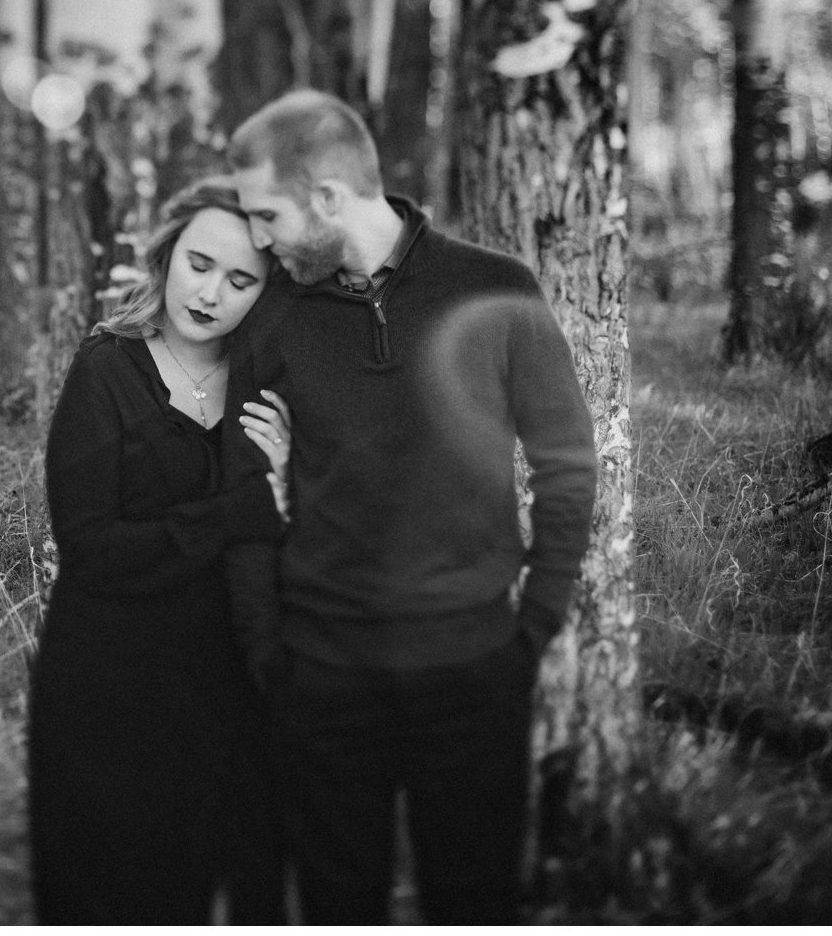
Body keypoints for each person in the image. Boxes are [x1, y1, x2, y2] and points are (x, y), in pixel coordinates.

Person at [216, 89, 598, 924]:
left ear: (325, 198)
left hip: (472, 673)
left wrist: (529, 631)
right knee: (336, 907)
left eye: (265, 213)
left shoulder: (495, 290)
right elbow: (239, 493)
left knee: (475, 904)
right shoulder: (273, 313)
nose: (257, 238)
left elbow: (567, 464)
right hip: (320, 678)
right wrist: (268, 652)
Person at [28, 178, 294, 924]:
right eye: (199, 264)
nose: (209, 293)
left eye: (240, 280)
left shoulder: (264, 385)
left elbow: (295, 521)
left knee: (227, 887)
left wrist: (289, 483)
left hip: (228, 684)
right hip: (110, 687)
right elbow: (91, 547)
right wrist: (242, 510)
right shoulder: (107, 370)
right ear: (167, 255)